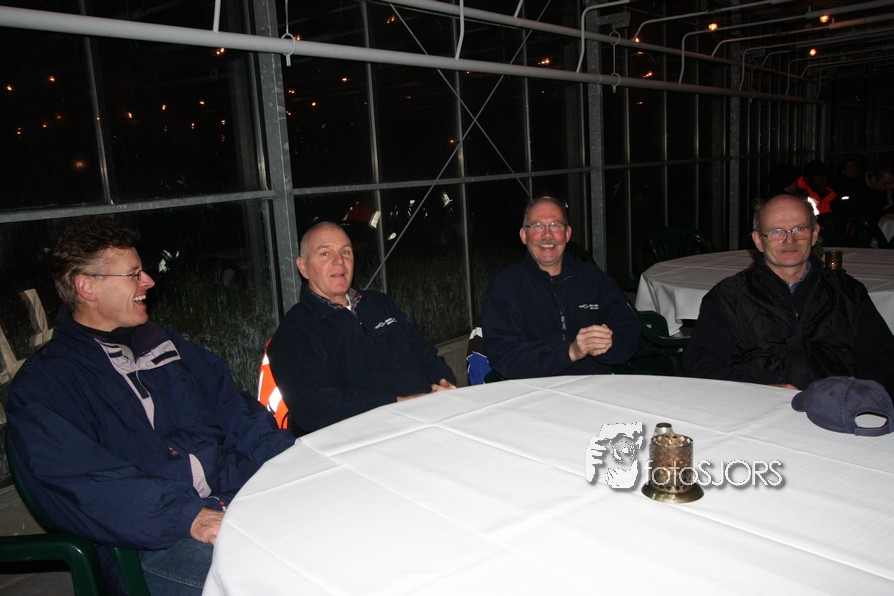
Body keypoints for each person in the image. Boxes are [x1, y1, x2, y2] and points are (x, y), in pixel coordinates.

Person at [5, 217, 296, 594]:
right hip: (149, 543)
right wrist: (188, 516)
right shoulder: (48, 385)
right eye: (133, 275)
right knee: (282, 581)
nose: (148, 282)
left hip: (231, 497)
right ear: (87, 287)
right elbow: (83, 484)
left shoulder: (163, 344)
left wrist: (290, 459)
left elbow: (232, 409)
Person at [683, 194, 894, 398]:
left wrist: (858, 395)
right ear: (758, 240)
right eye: (777, 232)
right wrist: (762, 391)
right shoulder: (729, 296)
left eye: (799, 229)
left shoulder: (847, 292)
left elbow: (883, 357)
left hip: (838, 406)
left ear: (814, 234)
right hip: (754, 408)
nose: (789, 240)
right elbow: (701, 363)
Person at [266, 221, 456, 433]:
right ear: (303, 267)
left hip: (431, 416)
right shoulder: (294, 333)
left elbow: (425, 353)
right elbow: (315, 407)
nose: (339, 261)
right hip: (369, 436)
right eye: (325, 254)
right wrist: (397, 404)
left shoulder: (378, 304)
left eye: (346, 252)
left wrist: (444, 383)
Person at [480, 195, 640, 379]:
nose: (547, 235)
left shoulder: (592, 278)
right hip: (533, 387)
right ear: (524, 236)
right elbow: (505, 356)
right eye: (538, 226)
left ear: (567, 234)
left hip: (594, 383)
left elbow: (628, 332)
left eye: (555, 225)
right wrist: (570, 352)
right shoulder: (506, 285)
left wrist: (607, 345)